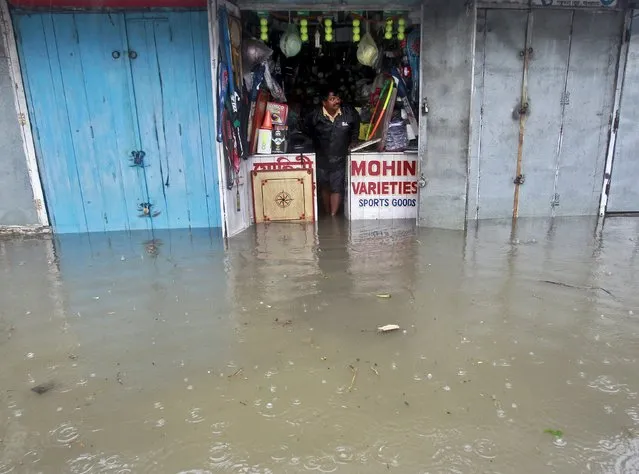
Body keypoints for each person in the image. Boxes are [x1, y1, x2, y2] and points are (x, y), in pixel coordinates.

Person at [304, 87, 360, 216]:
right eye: (332, 99)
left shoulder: (349, 113)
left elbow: (356, 127)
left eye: (338, 98)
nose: (336, 101)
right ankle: (327, 212)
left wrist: (354, 141)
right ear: (324, 103)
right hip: (322, 157)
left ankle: (333, 217)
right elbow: (306, 131)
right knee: (324, 186)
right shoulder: (314, 116)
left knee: (336, 186)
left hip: (339, 157)